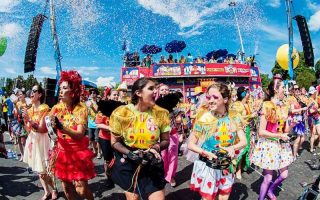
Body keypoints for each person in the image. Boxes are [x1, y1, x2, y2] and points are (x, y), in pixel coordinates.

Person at [109, 77, 170, 200]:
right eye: (151, 88)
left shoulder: (162, 113)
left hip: (152, 161)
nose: (155, 92)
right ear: (138, 93)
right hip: (128, 163)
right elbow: (114, 142)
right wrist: (131, 154)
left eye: (156, 89)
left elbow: (166, 140)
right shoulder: (121, 113)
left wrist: (156, 147)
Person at [188, 83, 247, 200]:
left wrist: (232, 148)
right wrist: (205, 153)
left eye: (215, 97)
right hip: (208, 165)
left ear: (225, 99)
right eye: (209, 97)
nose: (210, 100)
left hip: (226, 164)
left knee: (224, 196)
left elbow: (244, 141)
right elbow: (190, 144)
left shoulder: (234, 116)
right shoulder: (204, 118)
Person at [48, 70, 95, 200]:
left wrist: (62, 127)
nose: (61, 91)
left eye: (64, 88)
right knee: (67, 188)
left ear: (72, 91)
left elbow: (80, 134)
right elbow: (49, 129)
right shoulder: (56, 108)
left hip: (77, 152)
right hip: (62, 152)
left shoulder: (81, 108)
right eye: (60, 88)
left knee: (81, 190)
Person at [251, 77, 294, 200]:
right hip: (269, 145)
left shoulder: (284, 106)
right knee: (268, 177)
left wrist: (290, 126)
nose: (285, 92)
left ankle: (271, 190)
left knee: (284, 175)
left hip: (282, 145)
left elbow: (284, 131)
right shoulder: (267, 105)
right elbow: (261, 132)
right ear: (276, 89)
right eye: (282, 88)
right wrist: (279, 136)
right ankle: (261, 198)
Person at [22, 84, 58, 200]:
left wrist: (29, 120)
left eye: (34, 91)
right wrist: (25, 119)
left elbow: (42, 129)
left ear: (40, 94)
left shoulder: (45, 108)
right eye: (30, 91)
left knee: (45, 170)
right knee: (38, 169)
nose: (31, 93)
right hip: (33, 139)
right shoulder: (30, 109)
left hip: (42, 140)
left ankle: (54, 189)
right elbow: (28, 129)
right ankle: (47, 191)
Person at [230, 86, 256, 180]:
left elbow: (249, 117)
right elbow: (235, 117)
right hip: (239, 130)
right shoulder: (237, 104)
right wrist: (250, 115)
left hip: (247, 129)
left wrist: (253, 116)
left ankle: (240, 167)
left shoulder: (248, 104)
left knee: (246, 149)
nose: (249, 94)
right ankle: (236, 169)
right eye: (247, 92)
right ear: (243, 94)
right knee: (240, 149)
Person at [12, 89, 29, 161]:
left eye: (21, 94)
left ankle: (26, 155)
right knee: (19, 140)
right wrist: (15, 107)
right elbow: (17, 114)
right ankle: (22, 155)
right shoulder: (17, 103)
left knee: (24, 141)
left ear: (24, 95)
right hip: (18, 123)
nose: (19, 96)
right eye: (19, 95)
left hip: (25, 123)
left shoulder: (28, 103)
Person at [87, 88, 101, 158]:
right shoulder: (88, 102)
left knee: (97, 139)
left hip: (97, 124)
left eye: (94, 93)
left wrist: (92, 107)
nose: (92, 94)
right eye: (91, 93)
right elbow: (86, 112)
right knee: (91, 138)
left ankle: (99, 152)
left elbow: (97, 112)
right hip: (90, 124)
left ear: (96, 94)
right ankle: (94, 151)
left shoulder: (98, 102)